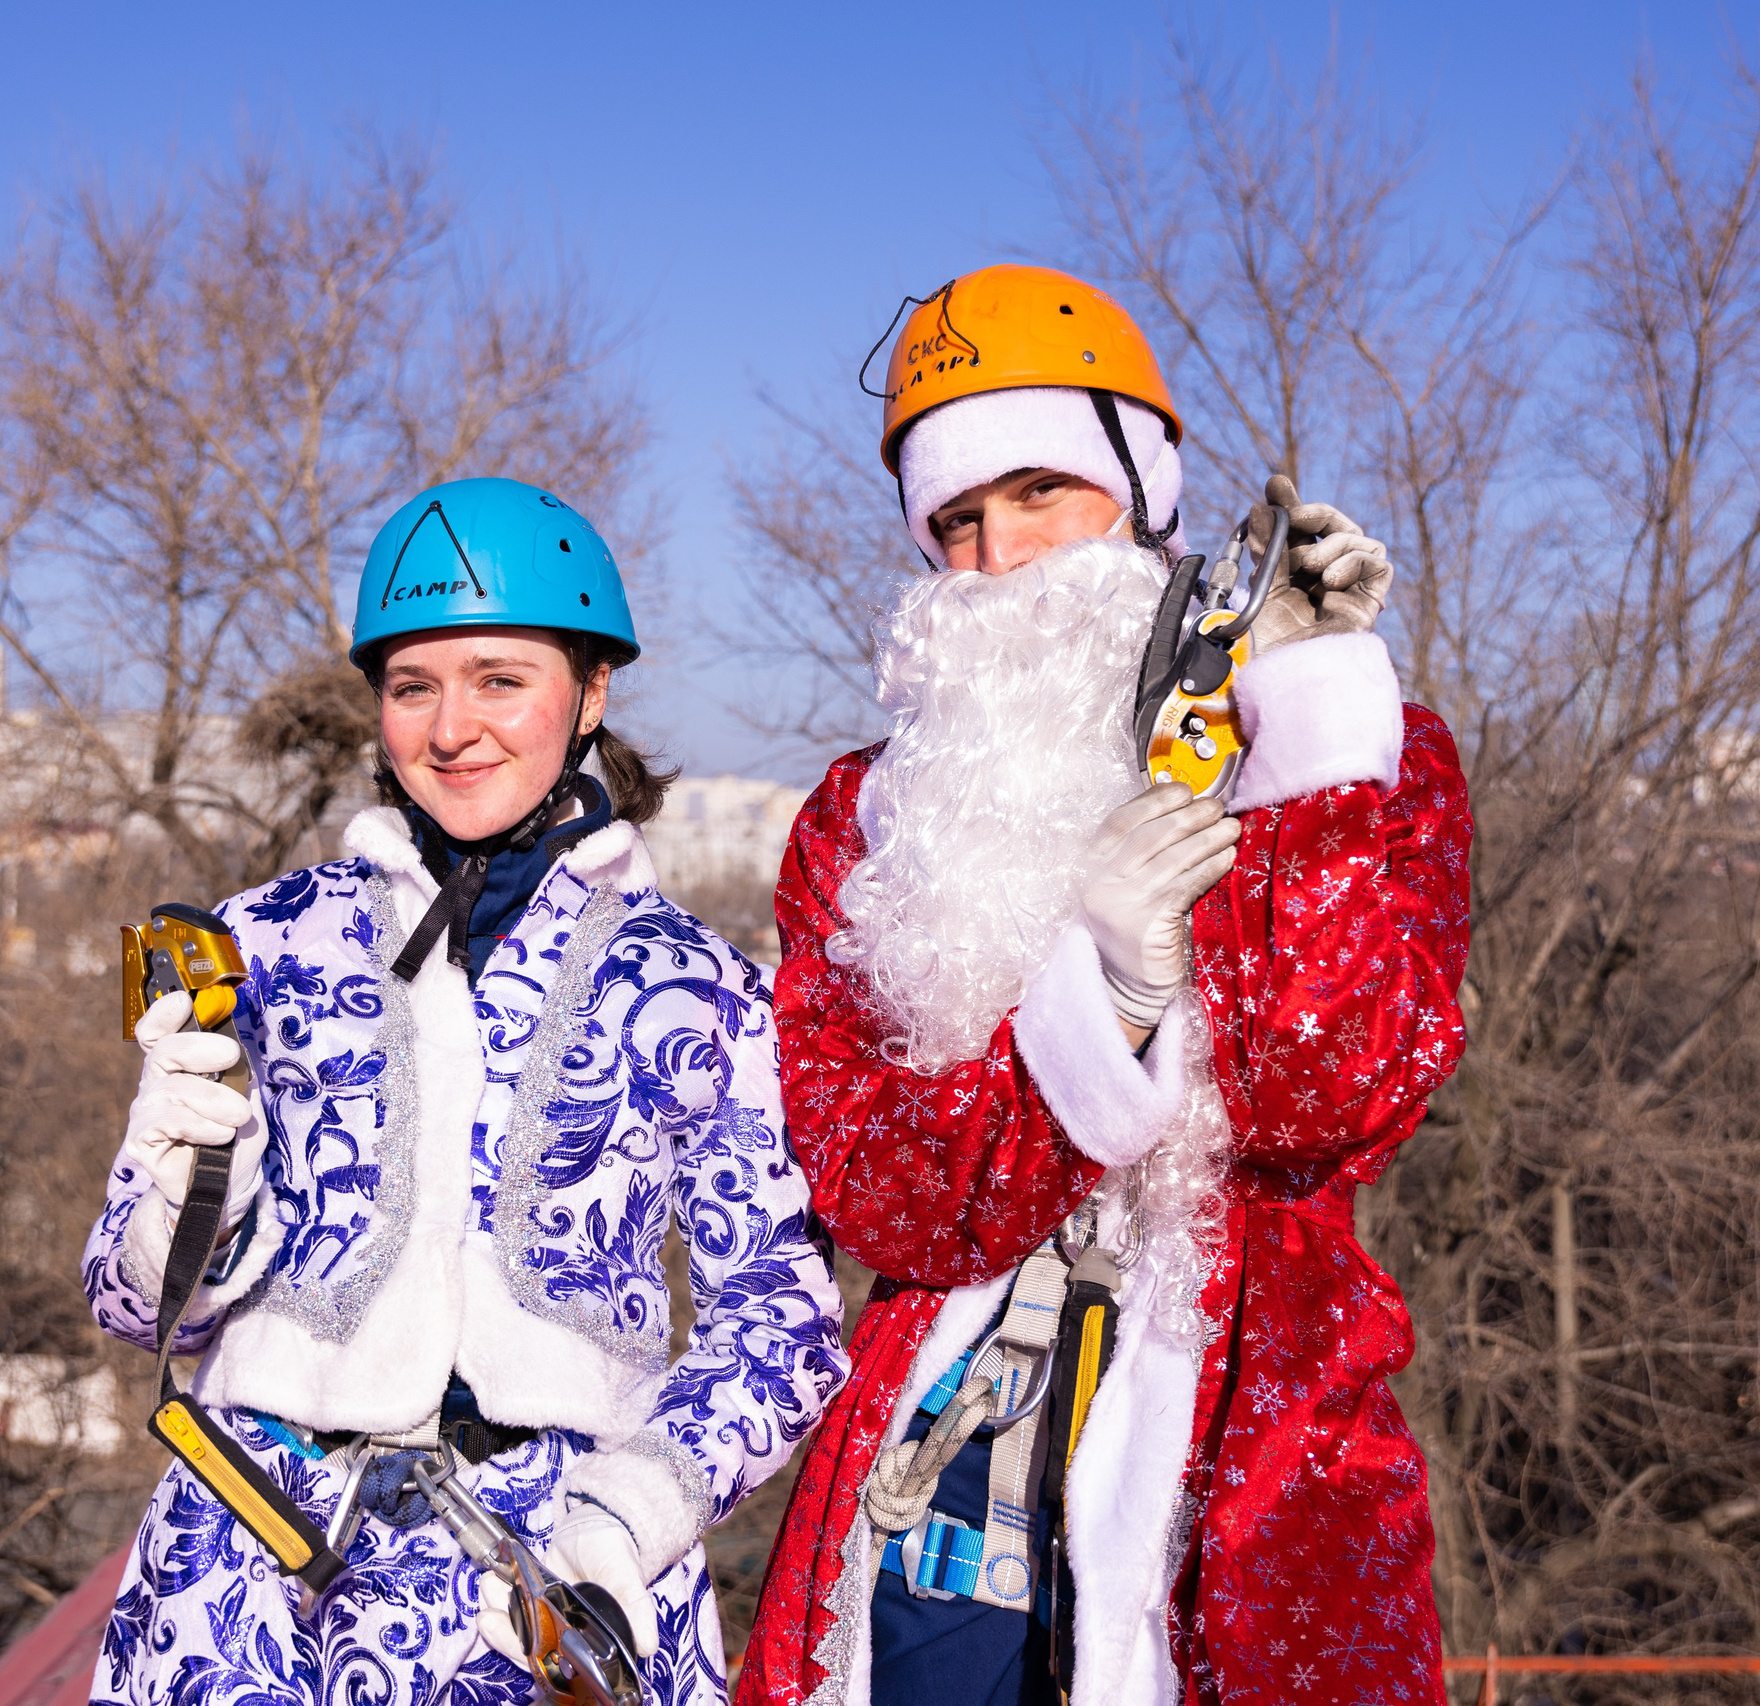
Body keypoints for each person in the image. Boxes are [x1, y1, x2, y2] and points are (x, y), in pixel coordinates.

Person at [735, 266, 1473, 1706]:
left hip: (1248, 1487)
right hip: (931, 1513)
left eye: (1037, 493)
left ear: (1141, 492)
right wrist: (1112, 1011)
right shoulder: (861, 822)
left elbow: (1328, 1094)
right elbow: (882, 1189)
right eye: (955, 519)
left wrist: (1318, 717)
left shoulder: (1359, 755)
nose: (996, 554)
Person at [83, 477, 849, 1706]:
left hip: (552, 1584)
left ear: (590, 692)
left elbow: (781, 1317)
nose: (453, 728)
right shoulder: (260, 945)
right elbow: (132, 1308)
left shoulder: (697, 986)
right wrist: (181, 1180)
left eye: (500, 678)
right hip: (246, 1585)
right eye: (413, 685)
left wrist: (630, 1515)